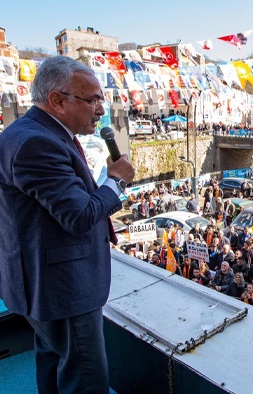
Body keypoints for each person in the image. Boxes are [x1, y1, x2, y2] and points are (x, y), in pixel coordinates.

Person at [0, 56, 135, 392]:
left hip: (43, 286)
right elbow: (78, 215)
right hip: (62, 289)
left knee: (52, 357)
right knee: (86, 376)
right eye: (92, 100)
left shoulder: (29, 133)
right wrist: (115, 181)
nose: (101, 111)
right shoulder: (36, 143)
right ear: (57, 101)